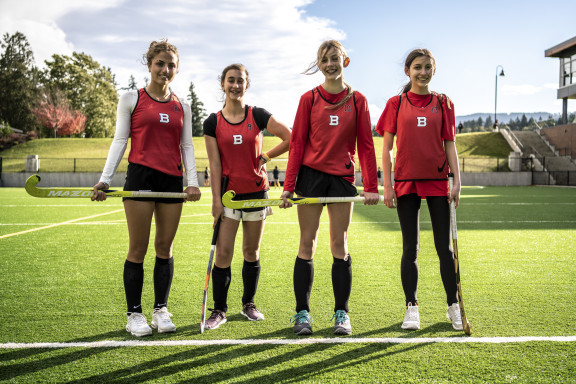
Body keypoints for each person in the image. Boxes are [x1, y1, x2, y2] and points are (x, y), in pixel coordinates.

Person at [92, 39, 201, 337]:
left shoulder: (183, 106)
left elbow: (187, 145)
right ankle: (134, 315)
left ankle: (160, 310)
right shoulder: (131, 99)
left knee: (165, 247)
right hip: (140, 178)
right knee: (138, 248)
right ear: (149, 64)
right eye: (160, 64)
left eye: (171, 66)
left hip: (171, 181)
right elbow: (120, 141)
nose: (165, 70)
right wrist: (105, 179)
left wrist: (192, 183)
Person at [280, 40, 379, 336]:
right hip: (310, 178)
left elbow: (366, 145)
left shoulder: (358, 100)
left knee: (339, 244)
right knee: (307, 244)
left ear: (344, 61)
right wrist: (288, 186)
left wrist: (371, 186)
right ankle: (302, 314)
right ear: (319, 65)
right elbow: (297, 144)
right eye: (324, 59)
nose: (330, 63)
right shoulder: (308, 99)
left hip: (341, 180)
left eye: (334, 58)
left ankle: (341, 314)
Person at [375, 48, 463, 331]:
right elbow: (387, 148)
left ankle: (453, 306)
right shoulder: (396, 103)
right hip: (405, 182)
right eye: (417, 67)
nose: (422, 72)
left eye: (427, 67)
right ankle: (411, 307)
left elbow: (450, 143)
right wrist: (387, 185)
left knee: (444, 249)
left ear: (433, 70)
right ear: (407, 71)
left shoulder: (444, 103)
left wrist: (457, 181)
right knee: (410, 248)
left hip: (438, 182)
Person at [203, 63, 291, 330]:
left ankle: (249, 304)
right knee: (224, 254)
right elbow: (215, 166)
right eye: (231, 80)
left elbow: (291, 137)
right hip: (229, 197)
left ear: (247, 85)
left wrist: (266, 156)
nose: (235, 85)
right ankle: (219, 310)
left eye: (240, 81)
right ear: (223, 84)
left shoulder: (259, 115)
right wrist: (216, 201)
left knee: (251, 251)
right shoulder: (212, 122)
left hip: (257, 194)